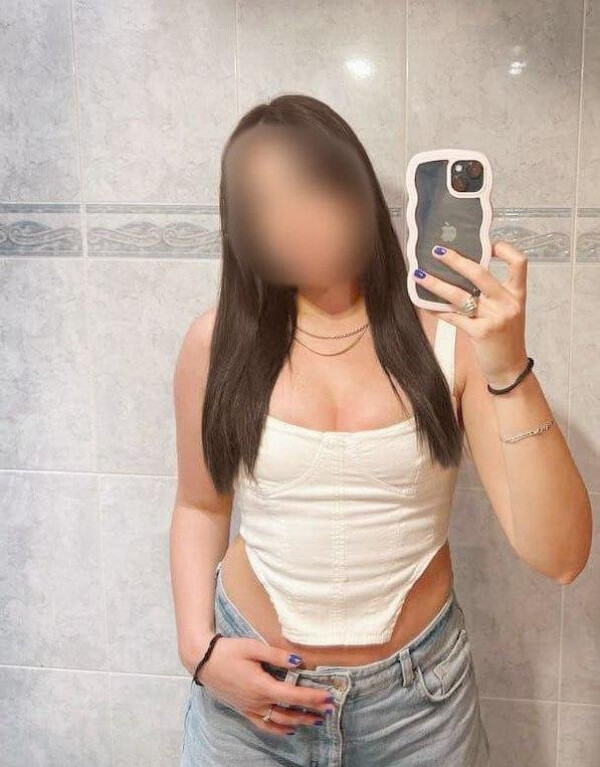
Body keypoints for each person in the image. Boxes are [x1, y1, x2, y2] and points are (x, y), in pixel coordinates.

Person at [170, 94, 592, 767]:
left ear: (358, 187)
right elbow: (200, 505)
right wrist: (199, 649)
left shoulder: (452, 340)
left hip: (418, 709)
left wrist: (508, 365)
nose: (291, 219)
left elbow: (561, 555)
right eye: (261, 203)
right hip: (251, 702)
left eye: (309, 186)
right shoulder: (215, 342)